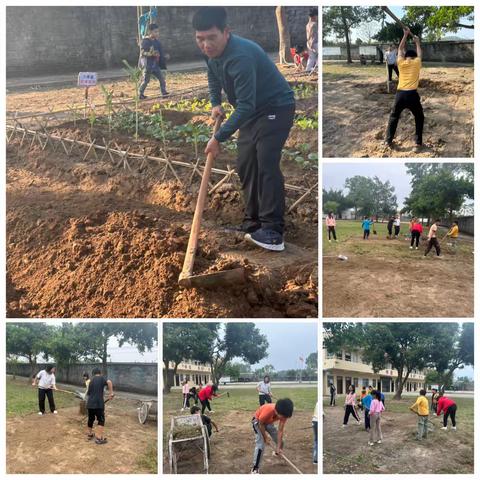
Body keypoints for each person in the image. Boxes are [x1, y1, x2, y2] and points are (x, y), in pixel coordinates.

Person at [193, 7, 295, 252]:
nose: (206, 45)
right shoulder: (211, 52)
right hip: (252, 110)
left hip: (275, 107)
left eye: (211, 38)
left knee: (266, 162)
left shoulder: (241, 56)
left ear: (226, 32)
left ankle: (272, 230)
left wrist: (218, 137)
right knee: (246, 163)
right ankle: (253, 224)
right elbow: (213, 74)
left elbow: (246, 106)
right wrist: (215, 102)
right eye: (200, 39)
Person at [385, 27, 424, 152]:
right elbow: (419, 53)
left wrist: (405, 34)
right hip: (412, 95)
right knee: (419, 117)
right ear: (413, 57)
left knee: (394, 116)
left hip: (400, 95)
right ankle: (417, 144)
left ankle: (388, 140)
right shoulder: (417, 63)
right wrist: (417, 42)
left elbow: (400, 49)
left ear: (406, 57)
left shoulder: (401, 63)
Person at [251, 398, 294, 474]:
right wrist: (265, 438)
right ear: (277, 411)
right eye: (283, 417)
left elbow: (280, 431)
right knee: (261, 444)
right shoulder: (268, 411)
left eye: (285, 417)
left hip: (268, 422)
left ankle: (277, 452)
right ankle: (255, 468)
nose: (284, 419)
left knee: (280, 441)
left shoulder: (284, 414)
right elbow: (261, 425)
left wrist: (278, 447)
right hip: (258, 422)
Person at [139, 23, 169, 99]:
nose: (157, 33)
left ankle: (164, 93)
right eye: (155, 32)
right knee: (146, 81)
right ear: (149, 32)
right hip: (148, 66)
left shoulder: (157, 42)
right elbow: (142, 53)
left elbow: (160, 53)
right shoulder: (145, 42)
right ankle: (140, 94)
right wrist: (150, 54)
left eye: (158, 32)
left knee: (162, 79)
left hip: (155, 65)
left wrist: (164, 57)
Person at [86, 367, 114, 445]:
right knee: (101, 420)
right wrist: (111, 393)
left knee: (90, 419)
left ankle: (89, 434)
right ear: (100, 373)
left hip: (90, 404)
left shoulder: (91, 381)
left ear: (93, 374)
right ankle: (99, 438)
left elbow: (88, 394)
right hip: (98, 404)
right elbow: (109, 381)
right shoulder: (101, 378)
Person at [305, 8, 318, 72]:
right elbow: (313, 35)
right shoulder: (314, 24)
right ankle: (317, 68)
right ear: (314, 16)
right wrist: (312, 43)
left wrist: (309, 43)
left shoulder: (307, 25)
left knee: (311, 57)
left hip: (308, 43)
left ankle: (308, 69)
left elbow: (308, 36)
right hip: (314, 43)